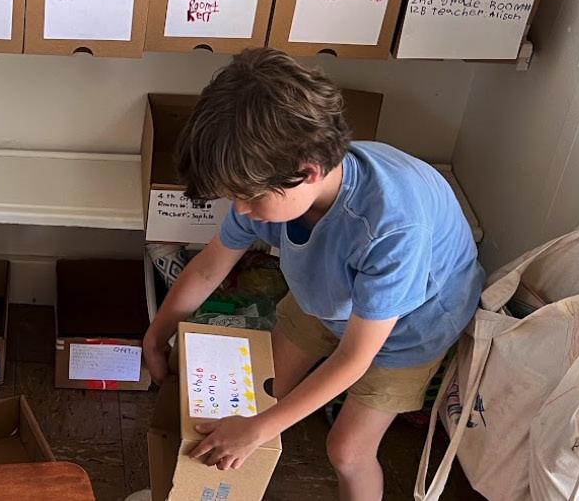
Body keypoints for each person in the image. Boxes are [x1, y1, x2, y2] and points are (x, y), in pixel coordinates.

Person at [142, 48, 483, 501]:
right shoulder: (271, 185)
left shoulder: (390, 226)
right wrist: (158, 332)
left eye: (250, 197)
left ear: (307, 173)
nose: (241, 210)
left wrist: (258, 430)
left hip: (408, 327)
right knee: (260, 390)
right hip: (325, 293)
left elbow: (356, 357)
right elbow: (208, 267)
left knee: (347, 451)